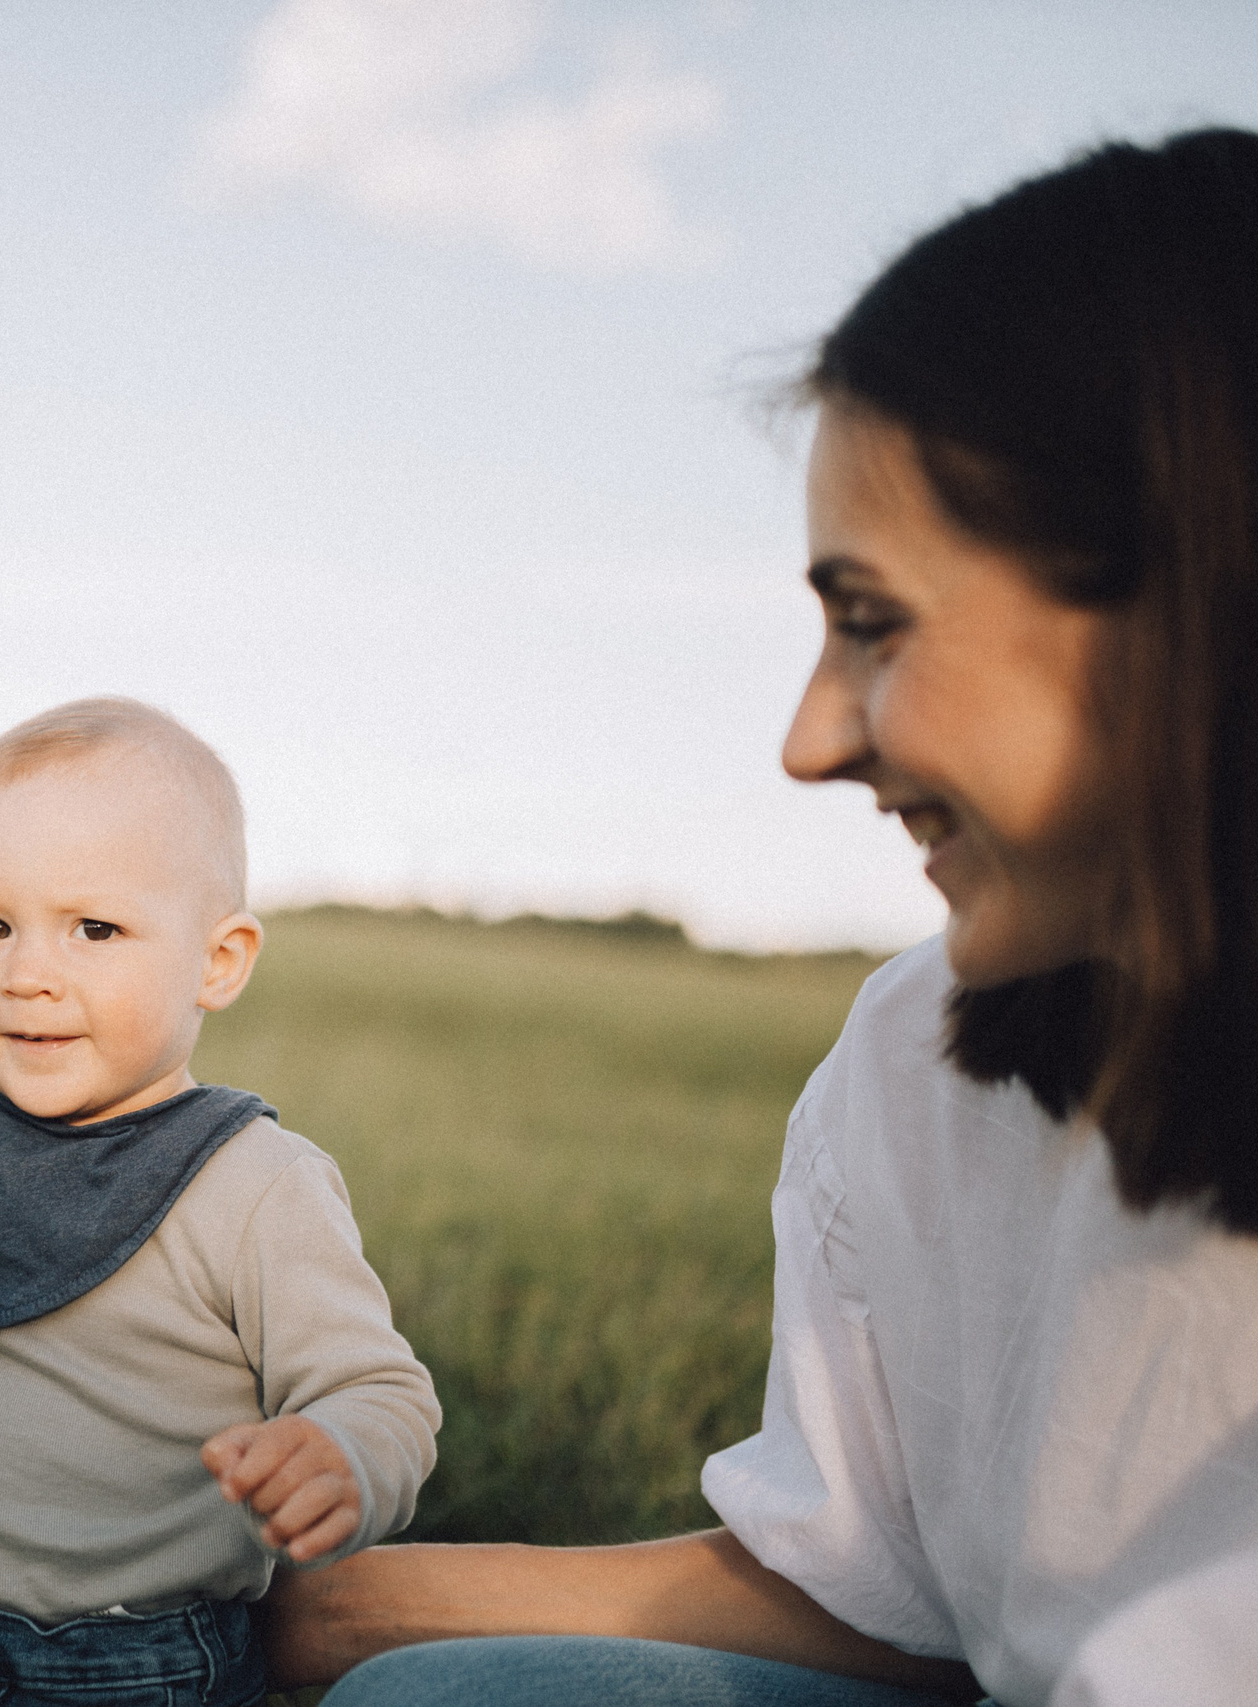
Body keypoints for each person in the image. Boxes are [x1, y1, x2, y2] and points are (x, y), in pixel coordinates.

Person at [262, 130, 1258, 1707]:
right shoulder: (918, 1060)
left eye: (873, 625)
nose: (808, 739)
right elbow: (886, 1589)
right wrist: (343, 1613)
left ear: (1194, 594)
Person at [0, 697, 442, 1706]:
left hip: (137, 1665)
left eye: (94, 928)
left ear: (216, 962)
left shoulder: (252, 1182)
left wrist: (340, 1456)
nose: (27, 974)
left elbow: (381, 1392)